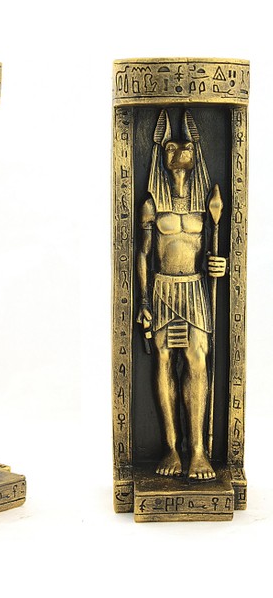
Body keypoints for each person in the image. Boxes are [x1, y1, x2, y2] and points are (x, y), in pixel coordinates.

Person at [136, 110, 226, 481]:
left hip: (194, 286)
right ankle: (172, 446)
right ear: (163, 154)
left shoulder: (206, 203)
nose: (178, 153)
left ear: (194, 153)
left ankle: (199, 450)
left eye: (184, 146)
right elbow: (143, 254)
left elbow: (213, 250)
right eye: (170, 148)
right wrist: (143, 300)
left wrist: (218, 264)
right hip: (162, 287)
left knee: (197, 360)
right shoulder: (152, 203)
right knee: (163, 360)